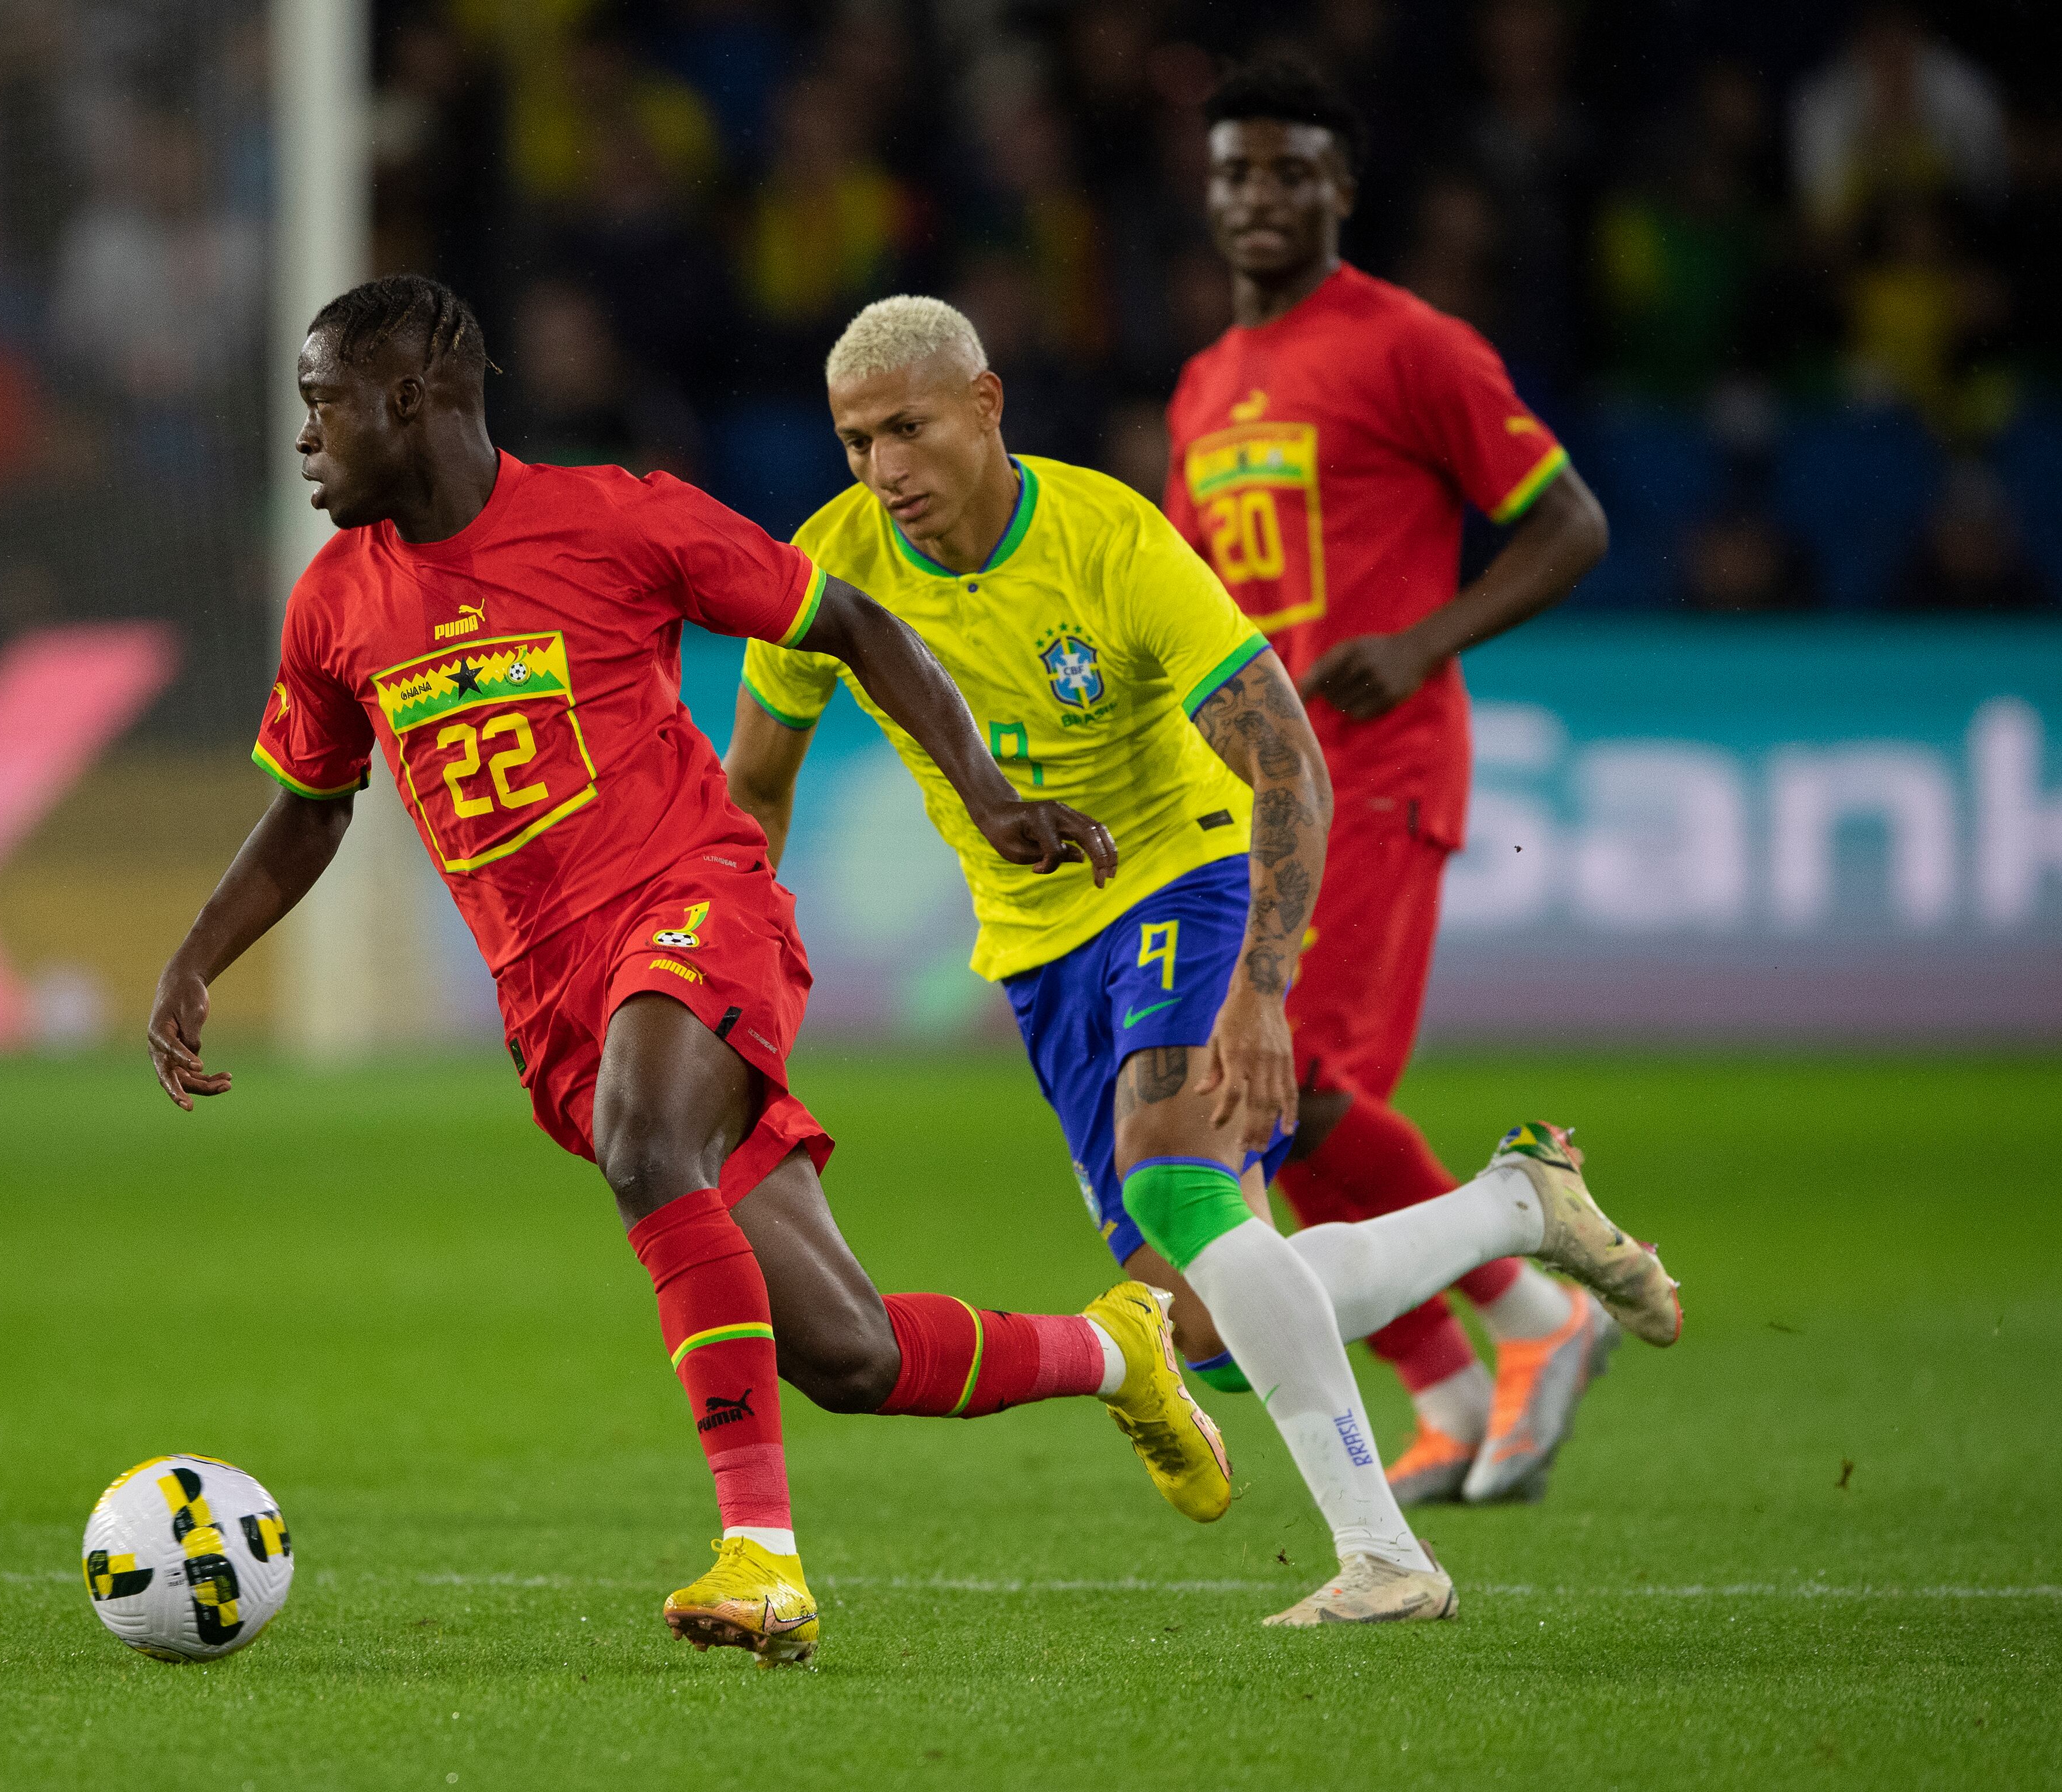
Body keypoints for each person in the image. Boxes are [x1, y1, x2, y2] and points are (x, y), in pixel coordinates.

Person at [144, 275, 1230, 1669]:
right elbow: (312, 805)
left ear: (411, 402)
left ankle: (762, 1561)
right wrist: (193, 957)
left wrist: (989, 789)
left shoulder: (614, 519)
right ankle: (1115, 1351)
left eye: (320, 403)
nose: (301, 438)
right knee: (846, 1355)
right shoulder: (333, 604)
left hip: (695, 909)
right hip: (551, 1001)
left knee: (644, 1139)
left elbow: (852, 624)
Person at [725, 295, 1680, 1625]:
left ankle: (1385, 1557)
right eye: (851, 441)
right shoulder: (830, 568)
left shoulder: (1108, 538)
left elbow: (1284, 754)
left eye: (906, 428)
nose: (881, 469)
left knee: (1177, 1190)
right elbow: (755, 785)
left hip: (1182, 868)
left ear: (985, 406)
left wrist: (1264, 985)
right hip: (1035, 949)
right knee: (1210, 1321)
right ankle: (1516, 1210)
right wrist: (728, 969)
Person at [1163, 61, 1618, 1505]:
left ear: (1340, 190)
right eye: (1236, 171)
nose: (1258, 197)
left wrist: (1419, 641)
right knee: (1259, 1091)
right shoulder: (1200, 388)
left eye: (1289, 171)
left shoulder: (1412, 345)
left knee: (1300, 1086)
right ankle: (1448, 1387)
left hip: (1378, 765)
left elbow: (1569, 523)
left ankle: (1542, 1313)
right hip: (1251, 792)